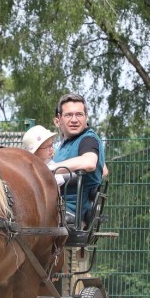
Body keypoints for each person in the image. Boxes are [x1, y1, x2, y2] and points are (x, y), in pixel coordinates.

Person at [50, 93, 105, 224]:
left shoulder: (88, 139)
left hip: (69, 213)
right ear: (59, 119)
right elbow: (104, 170)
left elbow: (89, 162)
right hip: (54, 205)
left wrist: (48, 169)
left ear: (86, 117)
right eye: (68, 115)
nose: (74, 120)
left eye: (79, 114)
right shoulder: (65, 144)